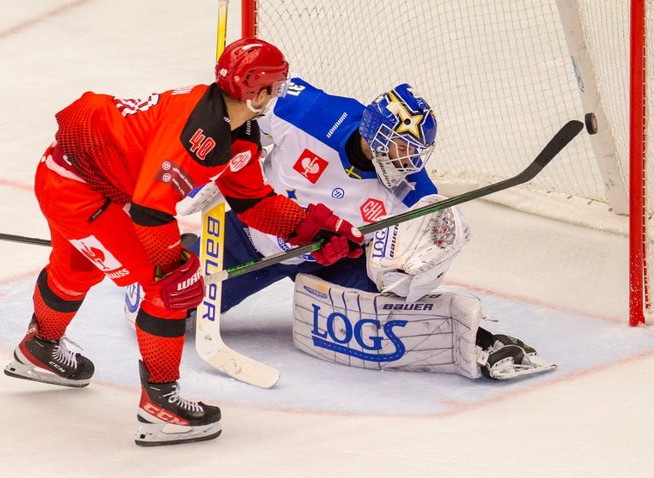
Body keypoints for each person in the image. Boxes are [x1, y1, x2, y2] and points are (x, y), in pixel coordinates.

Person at [3, 37, 364, 446]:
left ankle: (39, 348)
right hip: (80, 190)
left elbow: (253, 202)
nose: (278, 93)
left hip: (81, 176)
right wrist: (173, 265)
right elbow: (149, 212)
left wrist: (317, 230)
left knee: (77, 268)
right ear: (257, 89)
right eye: (275, 86)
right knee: (169, 288)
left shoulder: (238, 128)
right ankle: (161, 407)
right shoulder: (200, 134)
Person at [160, 78, 554, 381]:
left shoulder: (414, 189)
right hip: (249, 238)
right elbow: (235, 114)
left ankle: (482, 343)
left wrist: (417, 264)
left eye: (415, 151)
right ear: (373, 132)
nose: (408, 161)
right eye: (400, 147)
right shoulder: (308, 110)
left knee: (389, 307)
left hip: (329, 262)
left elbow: (415, 252)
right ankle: (187, 248)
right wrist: (215, 163)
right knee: (172, 309)